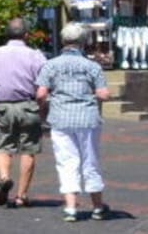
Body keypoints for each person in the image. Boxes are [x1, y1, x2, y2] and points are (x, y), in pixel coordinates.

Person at [36, 22, 112, 222]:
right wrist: (103, 94)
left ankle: (70, 208)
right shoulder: (92, 66)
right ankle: (97, 206)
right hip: (87, 118)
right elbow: (103, 94)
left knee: (66, 161)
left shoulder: (50, 65)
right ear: (83, 42)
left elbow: (41, 93)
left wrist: (43, 109)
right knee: (90, 160)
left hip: (61, 117)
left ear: (63, 41)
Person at [0, 17, 46, 209]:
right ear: (27, 35)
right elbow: (43, 86)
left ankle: (4, 177)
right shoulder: (36, 56)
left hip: (2, 106)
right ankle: (21, 196)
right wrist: (42, 108)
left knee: (2, 146)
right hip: (28, 105)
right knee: (28, 150)